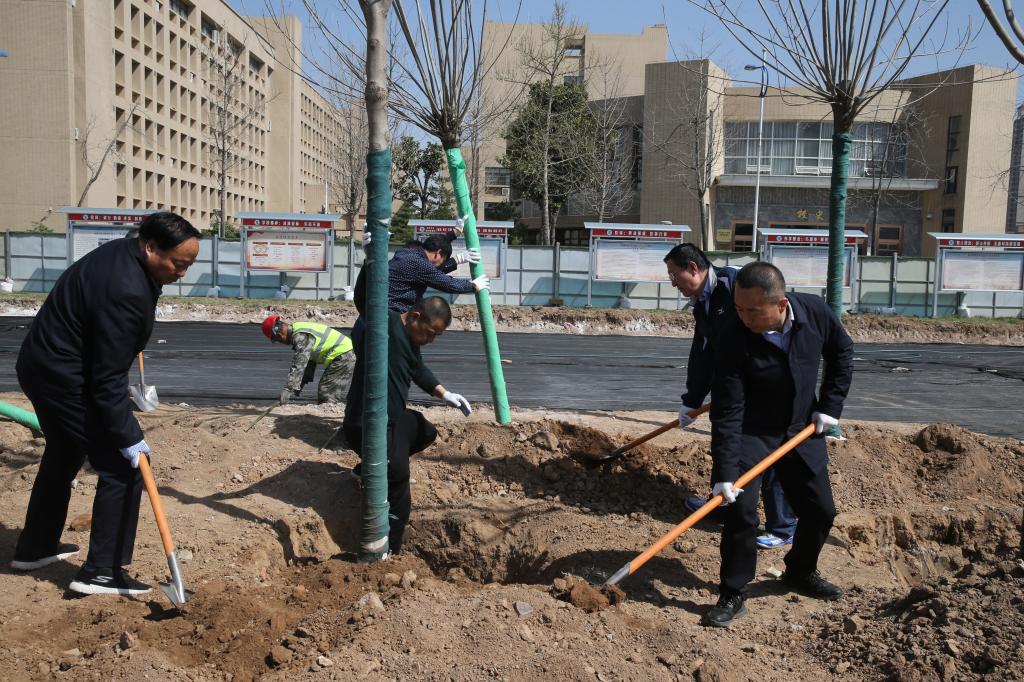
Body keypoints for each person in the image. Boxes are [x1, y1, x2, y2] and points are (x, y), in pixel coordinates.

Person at [11, 211, 201, 596]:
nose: (182, 273)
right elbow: (107, 380)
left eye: (188, 265)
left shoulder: (124, 255)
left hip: (42, 366)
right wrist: (128, 437)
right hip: (65, 378)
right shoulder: (126, 290)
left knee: (65, 450)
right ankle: (101, 572)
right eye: (177, 264)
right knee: (123, 465)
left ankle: (36, 547)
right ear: (151, 248)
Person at [702, 261, 853, 627]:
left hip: (801, 426)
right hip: (753, 431)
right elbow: (728, 409)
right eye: (739, 308)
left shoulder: (814, 313)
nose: (744, 317)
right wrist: (725, 473)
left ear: (781, 304)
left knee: (820, 511)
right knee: (740, 511)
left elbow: (842, 353)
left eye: (753, 311)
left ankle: (800, 571)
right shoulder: (732, 334)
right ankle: (733, 592)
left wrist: (829, 408)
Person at [665, 244, 797, 550]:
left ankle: (783, 527)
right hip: (734, 386)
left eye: (674, 274)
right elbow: (703, 352)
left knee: (770, 450)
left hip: (768, 385)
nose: (672, 282)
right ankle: (723, 503)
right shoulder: (702, 303)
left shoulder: (735, 284)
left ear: (693, 268)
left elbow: (772, 331)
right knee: (725, 440)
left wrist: (759, 381)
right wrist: (692, 399)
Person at [342, 295, 472, 554]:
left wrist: (445, 394)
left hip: (392, 419)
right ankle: (391, 548)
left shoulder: (412, 341)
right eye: (431, 333)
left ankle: (368, 467)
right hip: (366, 425)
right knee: (399, 477)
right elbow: (363, 297)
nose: (431, 340)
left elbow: (418, 369)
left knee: (426, 431)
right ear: (414, 317)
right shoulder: (385, 325)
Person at [261, 316, 355, 405]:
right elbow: (309, 360)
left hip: (344, 354)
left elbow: (300, 362)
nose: (280, 342)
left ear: (278, 334)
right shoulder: (299, 329)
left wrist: (289, 389)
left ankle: (329, 411)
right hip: (345, 353)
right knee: (327, 390)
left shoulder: (300, 336)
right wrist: (299, 384)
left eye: (276, 339)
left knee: (327, 392)